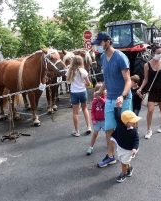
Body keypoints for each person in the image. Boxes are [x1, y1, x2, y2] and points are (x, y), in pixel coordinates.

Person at [92, 32, 132, 167]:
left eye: (99, 43)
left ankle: (127, 159)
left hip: (123, 99)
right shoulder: (103, 57)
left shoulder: (121, 57)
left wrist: (123, 96)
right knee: (109, 128)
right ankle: (110, 156)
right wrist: (101, 90)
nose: (97, 46)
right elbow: (107, 78)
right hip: (110, 98)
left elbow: (128, 81)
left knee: (124, 129)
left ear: (107, 42)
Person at [138, 45, 161, 139]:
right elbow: (145, 79)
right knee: (150, 110)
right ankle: (149, 130)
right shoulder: (146, 65)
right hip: (151, 89)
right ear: (152, 53)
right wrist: (140, 88)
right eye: (158, 53)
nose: (160, 55)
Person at [110, 109, 140, 183]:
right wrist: (117, 107)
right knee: (123, 160)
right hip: (120, 147)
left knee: (123, 163)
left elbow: (136, 141)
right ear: (126, 122)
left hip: (128, 150)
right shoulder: (120, 124)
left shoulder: (134, 130)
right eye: (133, 122)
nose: (135, 123)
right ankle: (129, 168)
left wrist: (134, 149)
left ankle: (123, 174)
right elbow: (117, 116)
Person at [66, 55, 92, 137]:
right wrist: (92, 86)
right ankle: (88, 126)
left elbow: (69, 82)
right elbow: (88, 83)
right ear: (81, 62)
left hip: (74, 93)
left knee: (75, 113)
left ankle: (77, 131)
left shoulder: (70, 71)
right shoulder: (83, 71)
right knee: (85, 109)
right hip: (82, 92)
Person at [87, 83, 106, 155]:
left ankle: (111, 143)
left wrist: (100, 98)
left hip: (104, 120)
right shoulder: (94, 101)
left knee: (108, 133)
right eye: (103, 89)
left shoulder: (105, 97)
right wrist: (93, 119)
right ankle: (91, 147)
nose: (105, 90)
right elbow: (92, 111)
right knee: (95, 134)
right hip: (97, 121)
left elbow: (105, 103)